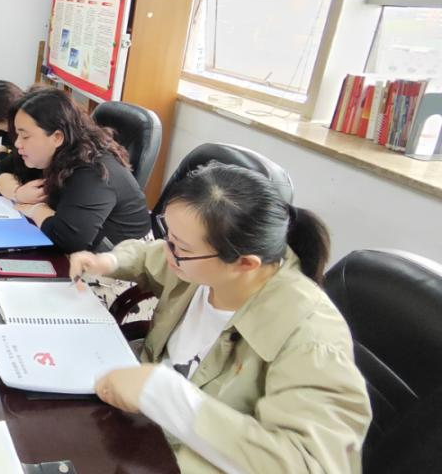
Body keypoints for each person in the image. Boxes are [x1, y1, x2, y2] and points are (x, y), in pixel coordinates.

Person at [71, 163, 371, 473]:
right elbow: (152, 254)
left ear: (245, 264)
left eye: (180, 247)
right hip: (140, 428)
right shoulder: (199, 265)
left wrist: (166, 394)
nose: (169, 250)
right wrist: (109, 261)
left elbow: (311, 464)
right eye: (168, 235)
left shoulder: (310, 336)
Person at [0, 88, 149, 252]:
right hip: (79, 252)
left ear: (57, 137)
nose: (17, 143)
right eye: (18, 135)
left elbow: (68, 240)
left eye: (25, 136)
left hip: (122, 259)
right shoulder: (44, 152)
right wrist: (17, 193)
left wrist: (37, 210)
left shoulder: (92, 170)